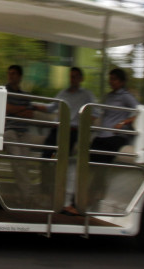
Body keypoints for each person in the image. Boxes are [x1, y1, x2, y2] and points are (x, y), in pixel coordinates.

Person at [38, 67, 96, 215]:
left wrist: (83, 127)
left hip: (73, 131)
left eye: (76, 77)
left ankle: (65, 201)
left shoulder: (86, 95)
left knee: (65, 161)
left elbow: (94, 113)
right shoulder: (63, 93)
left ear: (81, 79)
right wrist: (31, 104)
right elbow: (51, 107)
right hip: (58, 129)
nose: (73, 79)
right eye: (71, 77)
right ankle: (47, 194)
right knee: (45, 157)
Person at [1, 64, 40, 204]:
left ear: (19, 76)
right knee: (18, 161)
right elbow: (6, 108)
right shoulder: (4, 90)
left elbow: (29, 114)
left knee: (23, 163)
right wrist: (20, 109)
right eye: (9, 73)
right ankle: (28, 195)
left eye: (14, 73)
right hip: (10, 131)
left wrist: (15, 110)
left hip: (23, 132)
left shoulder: (24, 95)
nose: (11, 76)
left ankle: (22, 194)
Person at [90, 68, 138, 163]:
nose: (111, 81)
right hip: (102, 135)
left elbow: (140, 111)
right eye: (110, 79)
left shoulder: (125, 96)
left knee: (103, 157)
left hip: (116, 136)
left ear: (121, 81)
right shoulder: (108, 96)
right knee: (92, 153)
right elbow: (100, 112)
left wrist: (123, 122)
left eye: (114, 79)